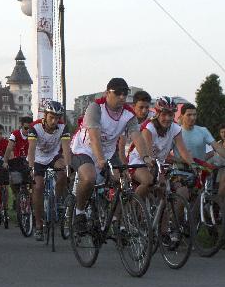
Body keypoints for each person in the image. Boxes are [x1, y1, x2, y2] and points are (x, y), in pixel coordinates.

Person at [70, 78, 153, 232]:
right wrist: (100, 159)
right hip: (85, 149)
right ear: (108, 93)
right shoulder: (95, 108)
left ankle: (116, 220)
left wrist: (146, 157)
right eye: (118, 93)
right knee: (89, 178)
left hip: (108, 152)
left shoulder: (128, 114)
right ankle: (79, 212)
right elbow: (94, 137)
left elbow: (136, 136)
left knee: (123, 182)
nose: (122, 97)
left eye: (125, 94)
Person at [129, 97, 193, 200]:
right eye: (164, 114)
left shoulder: (176, 128)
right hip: (140, 160)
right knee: (148, 181)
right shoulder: (149, 128)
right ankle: (134, 206)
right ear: (157, 114)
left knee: (165, 192)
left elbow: (183, 150)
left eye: (171, 115)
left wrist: (193, 164)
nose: (167, 118)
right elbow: (149, 154)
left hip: (159, 163)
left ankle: (163, 214)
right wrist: (157, 172)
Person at [27, 101, 71, 241]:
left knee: (63, 173)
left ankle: (56, 201)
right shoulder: (35, 127)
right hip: (38, 158)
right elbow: (32, 149)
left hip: (53, 156)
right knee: (38, 186)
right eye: (51, 117)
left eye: (57, 118)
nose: (54, 121)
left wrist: (68, 166)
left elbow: (66, 149)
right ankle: (39, 225)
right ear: (45, 115)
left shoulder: (63, 128)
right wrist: (31, 168)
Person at [174, 103, 225, 202]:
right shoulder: (176, 131)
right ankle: (174, 217)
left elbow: (217, 147)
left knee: (200, 202)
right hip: (181, 171)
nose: (193, 117)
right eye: (189, 115)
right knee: (182, 200)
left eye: (194, 114)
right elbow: (166, 155)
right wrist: (180, 160)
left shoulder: (203, 131)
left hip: (199, 171)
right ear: (181, 116)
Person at [4, 115, 33, 213]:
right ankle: (17, 197)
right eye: (26, 128)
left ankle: (32, 203)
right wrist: (5, 161)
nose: (28, 130)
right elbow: (9, 148)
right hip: (18, 161)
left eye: (30, 128)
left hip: (30, 161)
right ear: (21, 126)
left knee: (33, 182)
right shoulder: (15, 134)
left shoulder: (33, 134)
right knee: (14, 181)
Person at [118, 90, 152, 164]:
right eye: (141, 107)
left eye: (147, 107)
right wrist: (125, 167)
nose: (144, 111)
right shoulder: (125, 119)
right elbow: (121, 149)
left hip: (148, 155)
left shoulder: (152, 118)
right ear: (133, 106)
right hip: (127, 155)